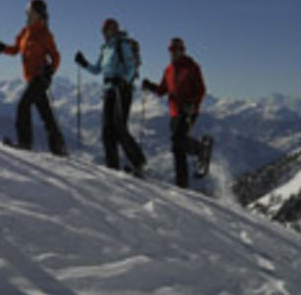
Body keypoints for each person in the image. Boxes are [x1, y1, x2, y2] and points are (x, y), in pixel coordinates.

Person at [0, 0, 67, 156]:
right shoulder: (25, 31)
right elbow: (15, 49)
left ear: (39, 14)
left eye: (31, 12)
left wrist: (50, 70)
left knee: (23, 106)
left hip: (40, 77)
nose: (28, 15)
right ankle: (58, 148)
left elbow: (56, 56)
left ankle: (25, 142)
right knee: (46, 114)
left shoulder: (44, 33)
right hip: (31, 78)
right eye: (27, 12)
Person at [75, 18, 147, 175]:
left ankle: (139, 162)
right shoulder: (105, 49)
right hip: (109, 90)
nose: (104, 34)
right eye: (103, 31)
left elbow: (131, 68)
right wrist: (83, 63)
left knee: (119, 127)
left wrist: (123, 81)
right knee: (107, 129)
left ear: (113, 30)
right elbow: (97, 70)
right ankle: (112, 166)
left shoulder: (123, 45)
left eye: (107, 31)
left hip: (122, 90)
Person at [143, 37, 208, 188]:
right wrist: (149, 86)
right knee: (177, 147)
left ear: (183, 50)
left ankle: (199, 149)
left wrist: (192, 103)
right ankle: (182, 183)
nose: (174, 52)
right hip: (174, 111)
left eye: (177, 49)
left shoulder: (192, 66)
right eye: (172, 50)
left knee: (178, 139)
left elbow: (201, 90)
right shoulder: (168, 70)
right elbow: (162, 90)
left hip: (189, 110)